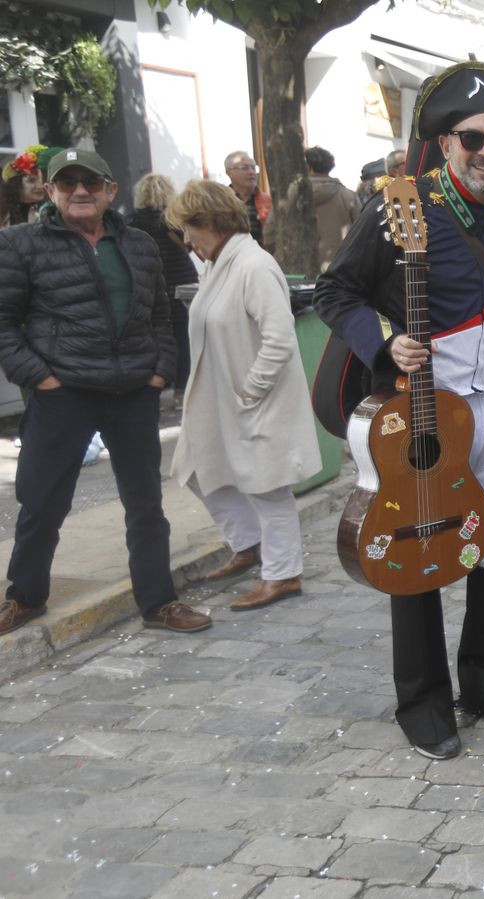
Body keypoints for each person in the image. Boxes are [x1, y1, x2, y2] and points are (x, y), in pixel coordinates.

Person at [316, 61, 484, 760]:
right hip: (422, 413)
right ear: (446, 143)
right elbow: (336, 292)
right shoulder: (401, 205)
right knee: (415, 541)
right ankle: (421, 698)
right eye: (472, 138)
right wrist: (386, 344)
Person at [0, 148, 203, 638]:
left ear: (111, 190)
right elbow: (4, 323)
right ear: (50, 192)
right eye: (67, 183)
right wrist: (39, 377)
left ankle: (159, 602)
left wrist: (160, 371)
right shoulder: (20, 244)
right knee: (43, 502)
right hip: (62, 393)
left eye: (90, 182)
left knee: (145, 503)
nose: (80, 191)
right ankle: (24, 596)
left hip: (132, 392)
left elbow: (160, 314)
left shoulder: (138, 243)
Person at [167, 180, 320, 611]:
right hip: (219, 399)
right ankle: (248, 543)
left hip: (252, 399)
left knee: (267, 488)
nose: (187, 239)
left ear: (210, 221)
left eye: (188, 227)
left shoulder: (253, 265)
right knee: (196, 469)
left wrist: (251, 389)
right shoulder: (219, 264)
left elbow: (280, 339)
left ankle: (283, 574)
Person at [129, 174, 197, 406]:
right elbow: (189, 246)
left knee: (153, 336)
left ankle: (156, 385)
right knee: (182, 337)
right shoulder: (173, 219)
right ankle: (181, 390)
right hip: (180, 282)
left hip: (149, 283)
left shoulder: (132, 221)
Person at [305, 146, 360, 272]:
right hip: (340, 268)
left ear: (308, 167)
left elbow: (269, 234)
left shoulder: (290, 197)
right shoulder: (349, 196)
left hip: (300, 272)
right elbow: (362, 233)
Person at [224, 150, 271, 245]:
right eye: (245, 168)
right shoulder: (221, 201)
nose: (251, 172)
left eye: (254, 168)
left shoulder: (268, 200)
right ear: (229, 172)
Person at [1, 144, 47, 228]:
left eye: (41, 180)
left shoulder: (48, 211)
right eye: (32, 181)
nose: (41, 186)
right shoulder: (3, 214)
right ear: (15, 185)